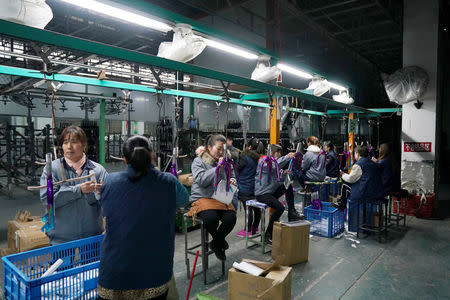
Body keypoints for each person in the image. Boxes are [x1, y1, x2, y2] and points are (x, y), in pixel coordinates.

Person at [98, 135, 189, 300]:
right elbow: (184, 199)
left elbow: (106, 206)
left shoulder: (110, 181)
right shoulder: (168, 182)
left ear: (125, 159)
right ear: (152, 155)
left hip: (115, 271)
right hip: (154, 271)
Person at [39, 125, 107, 245]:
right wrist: (78, 190)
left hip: (91, 236)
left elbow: (108, 204)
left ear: (84, 145)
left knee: (90, 264)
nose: (69, 146)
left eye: (74, 142)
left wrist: (103, 194)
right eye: (65, 142)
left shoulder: (98, 170)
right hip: (61, 237)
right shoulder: (51, 169)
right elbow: (48, 200)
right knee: (62, 265)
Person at [188, 134, 237, 261]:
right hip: (202, 198)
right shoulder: (198, 161)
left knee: (231, 218)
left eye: (223, 150)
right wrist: (217, 168)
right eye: (218, 149)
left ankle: (216, 242)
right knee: (211, 218)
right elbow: (201, 180)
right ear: (209, 147)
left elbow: (231, 175)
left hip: (219, 198)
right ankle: (219, 242)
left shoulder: (226, 162)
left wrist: (232, 180)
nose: (221, 152)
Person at [255, 144, 302, 243]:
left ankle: (291, 211)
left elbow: (275, 175)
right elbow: (272, 167)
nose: (280, 154)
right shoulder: (263, 161)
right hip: (262, 194)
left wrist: (283, 173)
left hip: (270, 191)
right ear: (273, 152)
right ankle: (267, 234)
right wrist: (287, 157)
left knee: (287, 185)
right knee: (280, 207)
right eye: (278, 152)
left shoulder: (273, 163)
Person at [332, 146, 384, 230]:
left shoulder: (359, 165)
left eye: (355, 153)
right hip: (376, 191)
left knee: (345, 185)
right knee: (347, 186)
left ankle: (342, 205)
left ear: (357, 154)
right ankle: (342, 204)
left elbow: (350, 179)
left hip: (365, 193)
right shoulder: (372, 162)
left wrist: (342, 174)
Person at [235, 138, 264, 237]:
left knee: (248, 209)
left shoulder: (244, 156)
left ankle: (247, 230)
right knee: (256, 208)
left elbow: (237, 169)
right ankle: (255, 227)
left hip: (244, 187)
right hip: (255, 187)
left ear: (250, 147)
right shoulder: (259, 159)